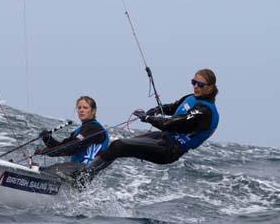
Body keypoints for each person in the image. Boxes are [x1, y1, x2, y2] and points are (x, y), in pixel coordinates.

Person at [85, 68, 220, 176]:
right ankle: (86, 172)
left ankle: (83, 178)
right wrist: (155, 110)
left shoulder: (205, 112)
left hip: (169, 150)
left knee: (119, 145)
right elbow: (172, 107)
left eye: (200, 85)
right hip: (163, 138)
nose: (196, 87)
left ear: (210, 87)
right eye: (193, 82)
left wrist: (147, 118)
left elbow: (172, 124)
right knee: (116, 145)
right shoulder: (191, 97)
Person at [36, 96, 110, 167]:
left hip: (83, 169)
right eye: (79, 108)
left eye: (85, 108)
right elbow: (62, 146)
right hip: (74, 169)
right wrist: (47, 139)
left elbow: (71, 148)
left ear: (93, 111)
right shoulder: (80, 130)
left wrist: (46, 152)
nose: (81, 110)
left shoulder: (95, 128)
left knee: (44, 170)